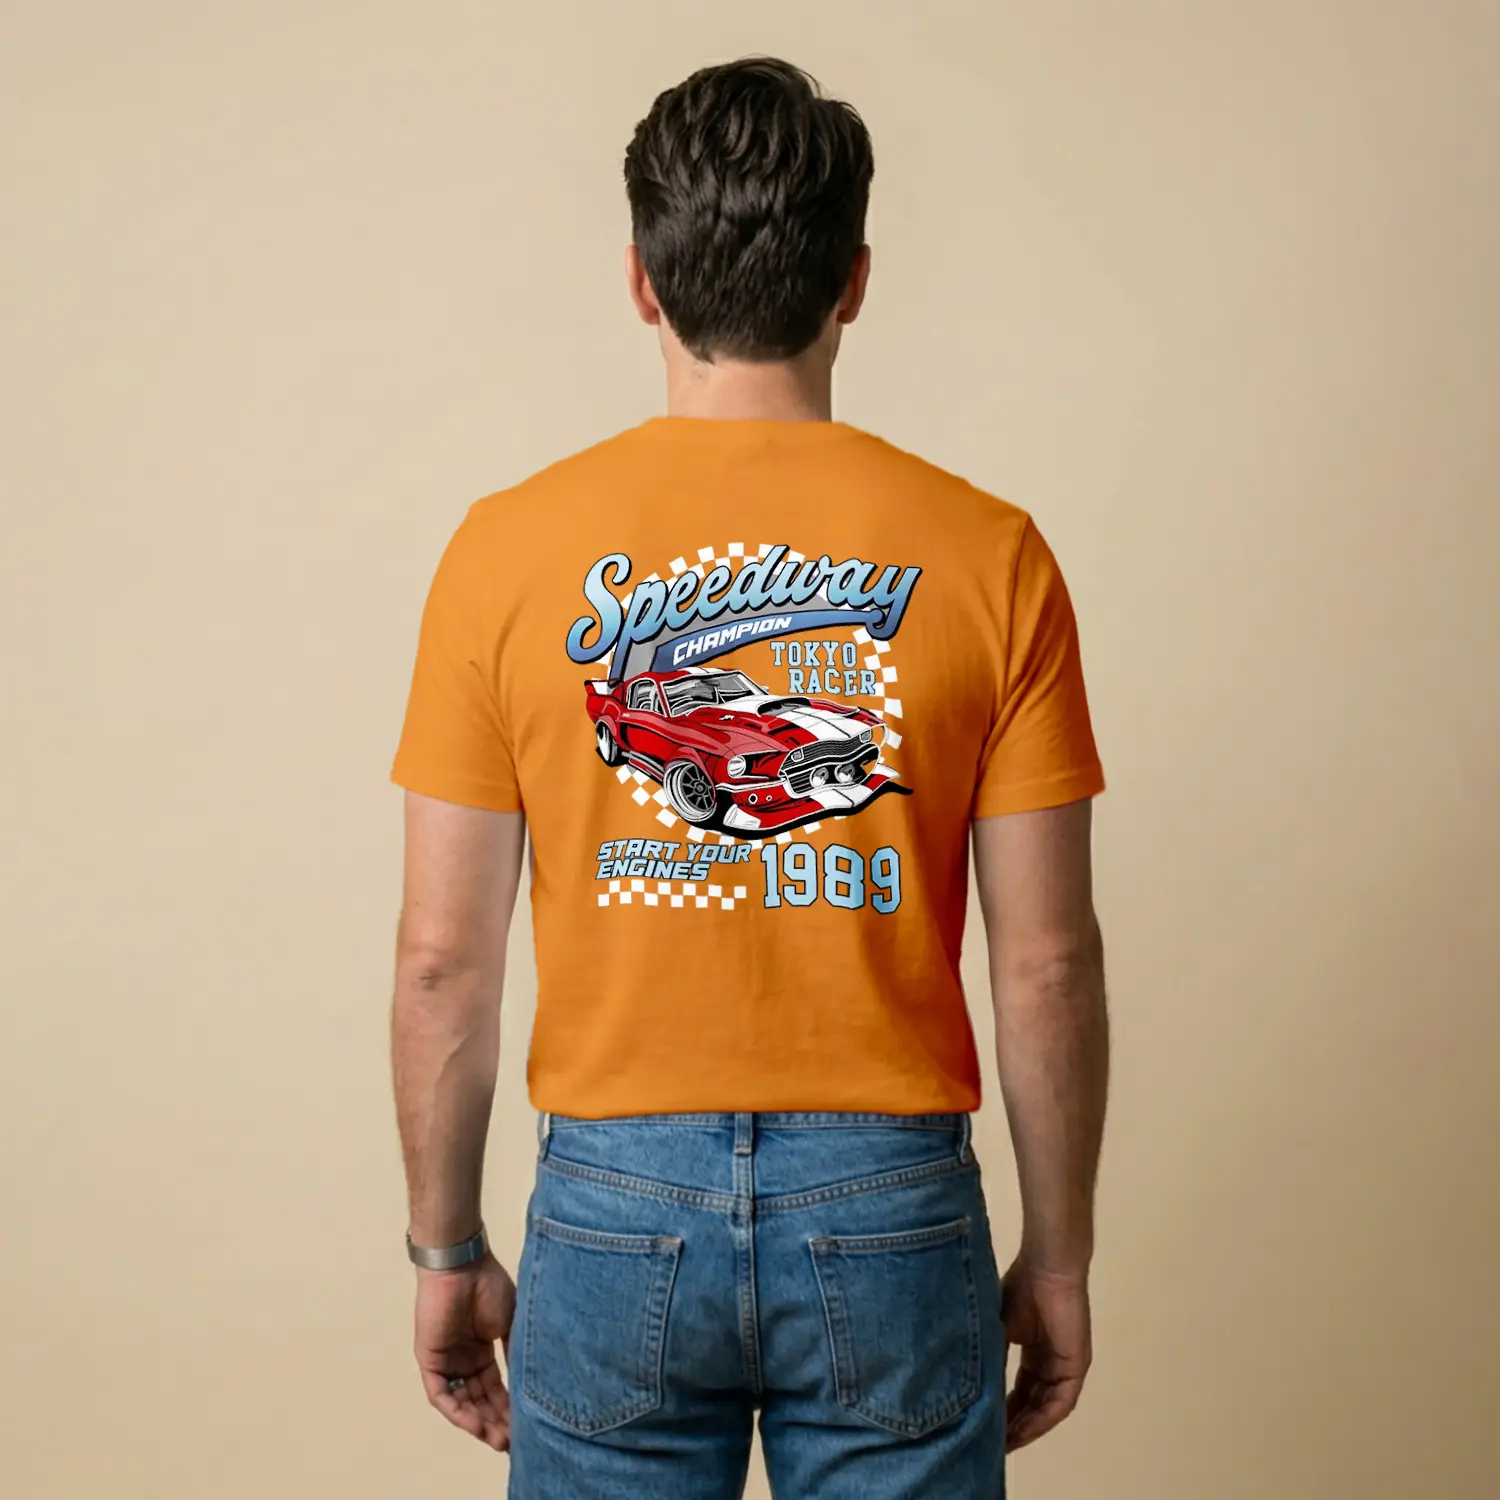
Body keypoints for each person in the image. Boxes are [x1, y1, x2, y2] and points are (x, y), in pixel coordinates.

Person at [389, 55, 1108, 1500]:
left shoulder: (502, 551)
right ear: (853, 282)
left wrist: (445, 1247)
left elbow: (441, 963)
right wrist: (1062, 1253)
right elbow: (1045, 964)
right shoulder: (993, 555)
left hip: (612, 1202)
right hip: (893, 1202)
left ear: (642, 282)